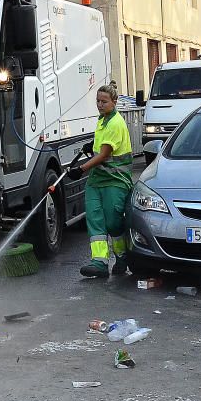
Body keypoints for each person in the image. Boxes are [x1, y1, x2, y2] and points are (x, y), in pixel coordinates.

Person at [70, 85, 133, 278]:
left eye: (104, 101)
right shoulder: (103, 121)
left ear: (114, 102)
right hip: (97, 181)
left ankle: (122, 258)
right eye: (98, 101)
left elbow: (105, 155)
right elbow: (101, 147)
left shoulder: (115, 123)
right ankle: (99, 262)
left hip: (115, 181)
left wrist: (81, 169)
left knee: (114, 223)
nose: (99, 105)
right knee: (95, 220)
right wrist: (92, 145)